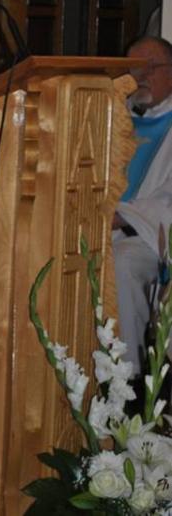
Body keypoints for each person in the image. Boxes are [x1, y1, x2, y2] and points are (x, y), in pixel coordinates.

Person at [113, 35, 172, 376]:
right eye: (134, 68)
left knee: (122, 262)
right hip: (105, 227)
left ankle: (126, 380)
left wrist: (123, 217)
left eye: (152, 67)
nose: (142, 76)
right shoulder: (112, 116)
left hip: (152, 237)